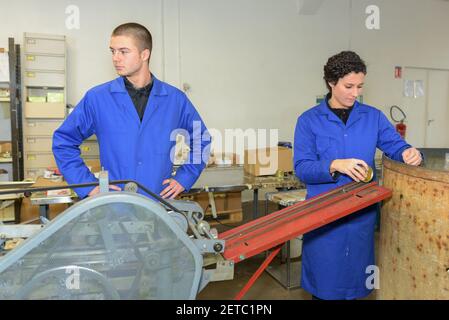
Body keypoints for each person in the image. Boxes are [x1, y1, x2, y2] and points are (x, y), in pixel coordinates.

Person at [293, 51, 422, 300]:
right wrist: (334, 165)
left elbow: (395, 145)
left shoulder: (372, 117)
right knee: (325, 285)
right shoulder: (309, 121)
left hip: (360, 213)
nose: (355, 93)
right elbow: (302, 168)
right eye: (348, 86)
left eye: (360, 86)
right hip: (324, 215)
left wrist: (408, 153)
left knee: (357, 284)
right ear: (332, 83)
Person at [53, 22, 210, 199]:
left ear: (145, 54)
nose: (115, 58)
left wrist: (184, 178)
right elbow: (63, 141)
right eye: (113, 51)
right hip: (115, 204)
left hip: (158, 201)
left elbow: (201, 138)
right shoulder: (97, 98)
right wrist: (88, 187)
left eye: (123, 51)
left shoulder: (175, 100)